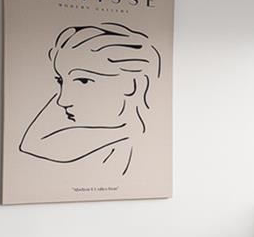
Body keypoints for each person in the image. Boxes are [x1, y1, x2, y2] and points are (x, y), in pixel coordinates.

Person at [17, 22, 162, 176]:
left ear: (131, 85)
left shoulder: (132, 149)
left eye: (83, 81)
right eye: (60, 81)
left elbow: (35, 143)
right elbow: (32, 143)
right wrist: (122, 131)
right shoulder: (122, 133)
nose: (62, 101)